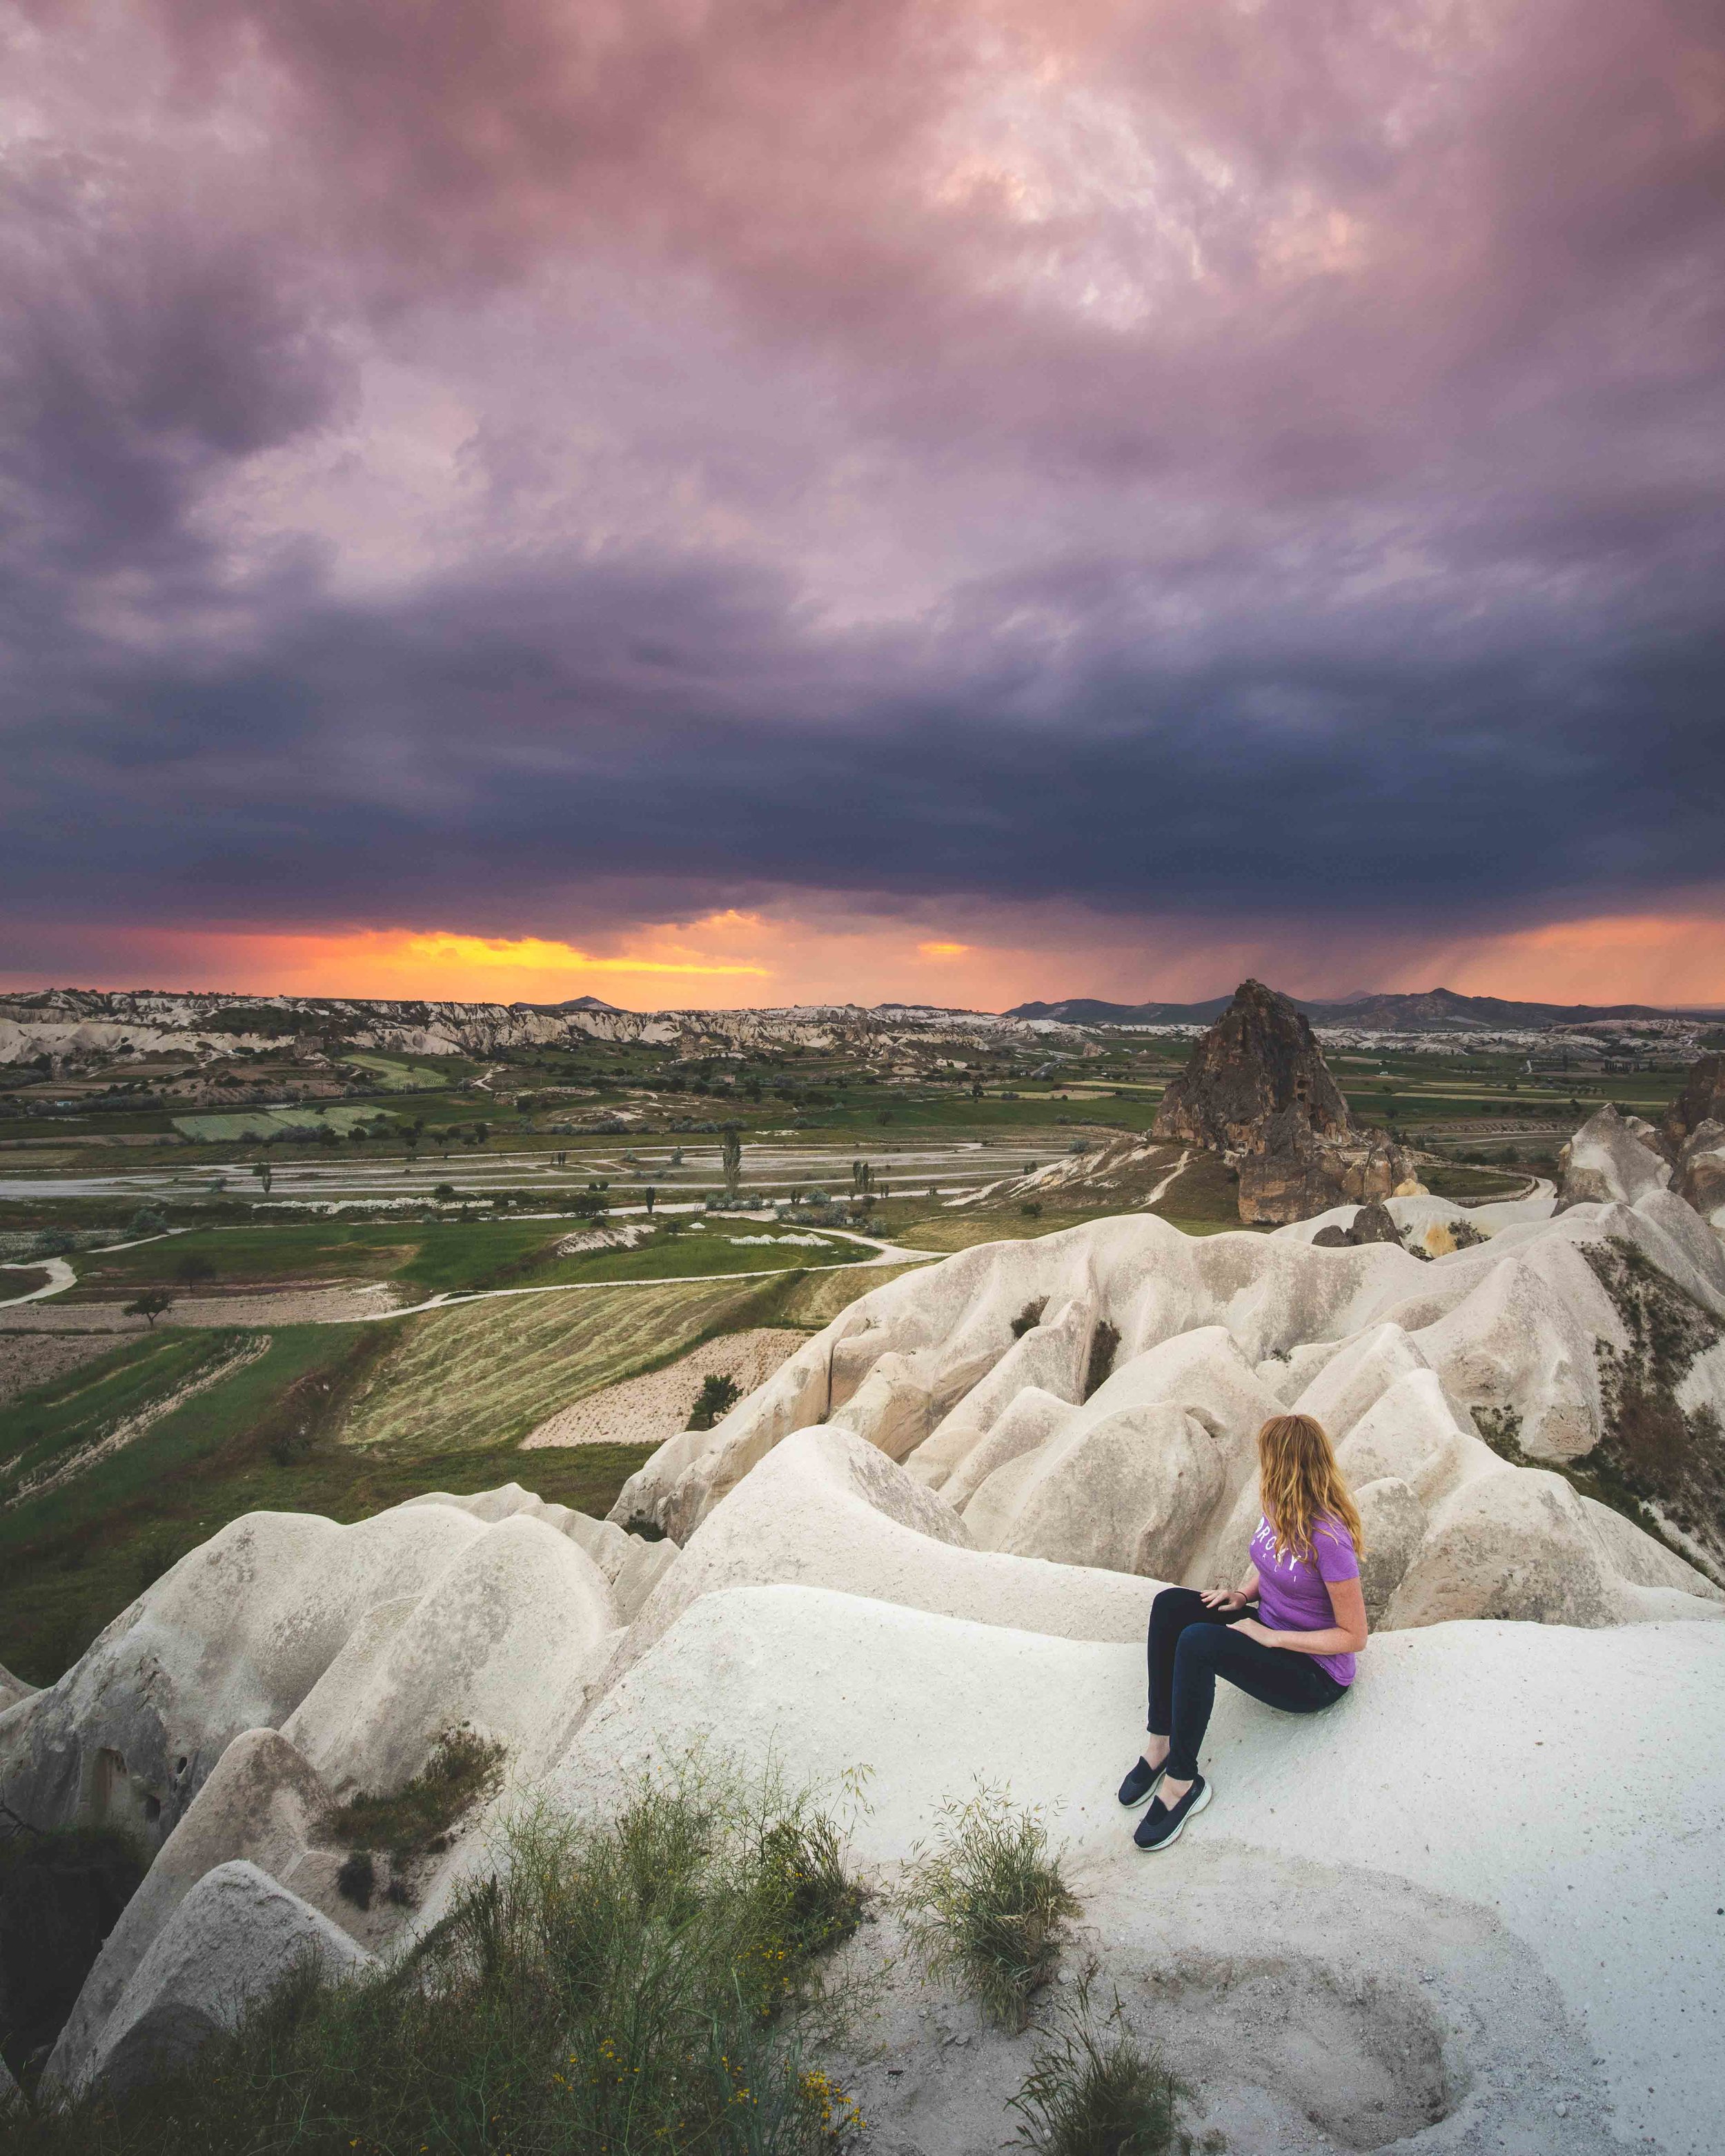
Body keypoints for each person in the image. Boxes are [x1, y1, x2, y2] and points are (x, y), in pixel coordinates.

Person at [1119, 1412, 1368, 1852]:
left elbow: (1353, 1636)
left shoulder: (1330, 1538)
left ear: (1284, 1467)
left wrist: (1274, 1638)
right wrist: (1242, 1595)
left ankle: (1182, 1783)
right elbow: (1269, 1563)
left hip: (1314, 1672)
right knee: (1170, 1606)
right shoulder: (1278, 1506)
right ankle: (1160, 1740)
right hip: (1267, 1625)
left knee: (1198, 1643)